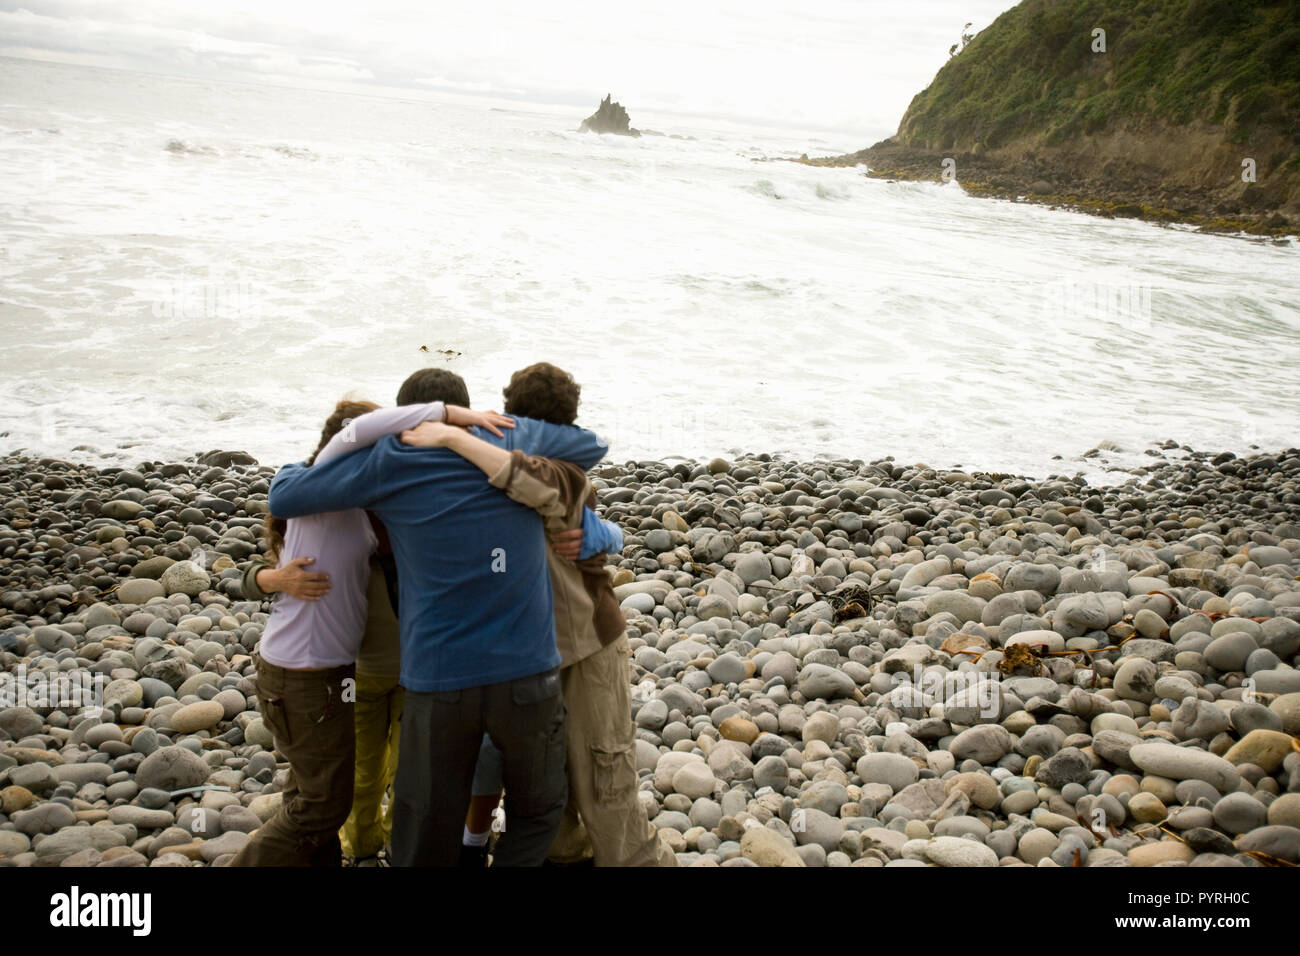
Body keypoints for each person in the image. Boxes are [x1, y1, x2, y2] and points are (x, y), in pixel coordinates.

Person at [264, 372, 610, 866]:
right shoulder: (506, 438)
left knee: (425, 815)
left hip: (439, 679)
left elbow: (287, 495)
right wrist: (465, 433)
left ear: (407, 416)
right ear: (470, 408)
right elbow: (591, 444)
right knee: (538, 808)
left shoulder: (389, 461)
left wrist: (428, 429)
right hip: (528, 672)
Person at [412, 362, 676, 867]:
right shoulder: (487, 475)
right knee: (543, 785)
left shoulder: (560, 474)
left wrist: (451, 436)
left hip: (587, 645)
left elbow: (535, 482)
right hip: (531, 656)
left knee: (605, 775)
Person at [230, 395, 511, 867]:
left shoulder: (358, 505)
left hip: (335, 672)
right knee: (325, 803)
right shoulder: (313, 491)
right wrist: (453, 414)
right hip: (306, 673)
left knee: (315, 791)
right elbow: (359, 432)